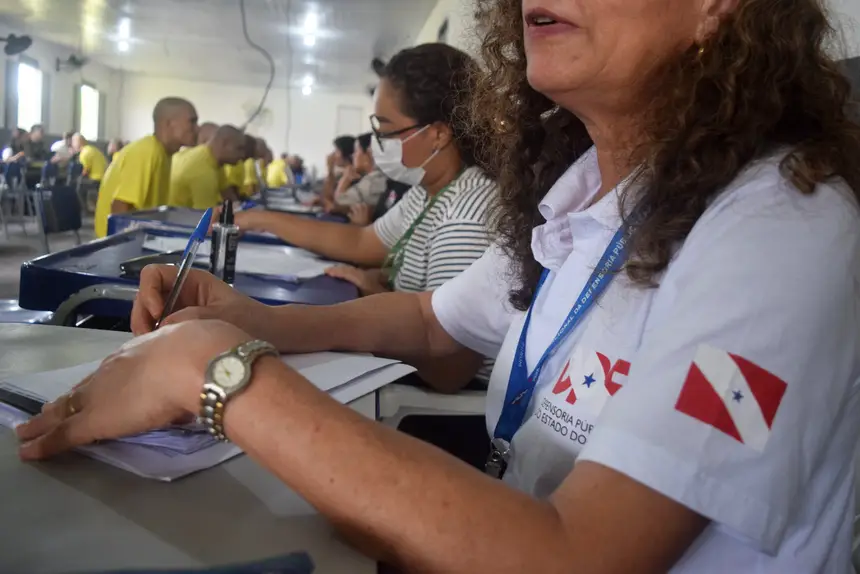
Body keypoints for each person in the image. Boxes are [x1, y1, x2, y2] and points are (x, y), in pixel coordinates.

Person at [18, 2, 860, 569]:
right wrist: (248, 318)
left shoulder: (785, 225)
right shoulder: (584, 198)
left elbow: (580, 555)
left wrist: (215, 371)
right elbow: (430, 320)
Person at [227, 44, 498, 389]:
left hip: (436, 399)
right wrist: (260, 219)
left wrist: (375, 297)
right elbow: (360, 241)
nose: (377, 142)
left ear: (438, 134)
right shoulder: (430, 190)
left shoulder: (468, 214)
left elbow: (450, 369)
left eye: (386, 128)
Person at [93, 97, 198, 237]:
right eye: (192, 121)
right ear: (168, 123)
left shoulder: (164, 154)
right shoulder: (147, 151)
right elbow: (120, 209)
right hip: (118, 242)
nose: (197, 128)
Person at [169, 125, 245, 209]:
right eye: (239, 148)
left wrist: (240, 209)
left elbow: (227, 193)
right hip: (175, 215)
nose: (242, 155)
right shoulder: (203, 172)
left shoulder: (211, 159)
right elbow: (206, 215)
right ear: (224, 143)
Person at [328, 132, 389, 216]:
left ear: (368, 154)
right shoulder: (373, 177)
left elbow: (339, 202)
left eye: (356, 151)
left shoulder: (372, 182)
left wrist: (345, 178)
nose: (353, 155)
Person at [318, 135, 356, 207]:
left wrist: (330, 169)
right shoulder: (341, 174)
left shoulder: (353, 176)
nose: (332, 154)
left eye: (336, 151)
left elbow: (331, 202)